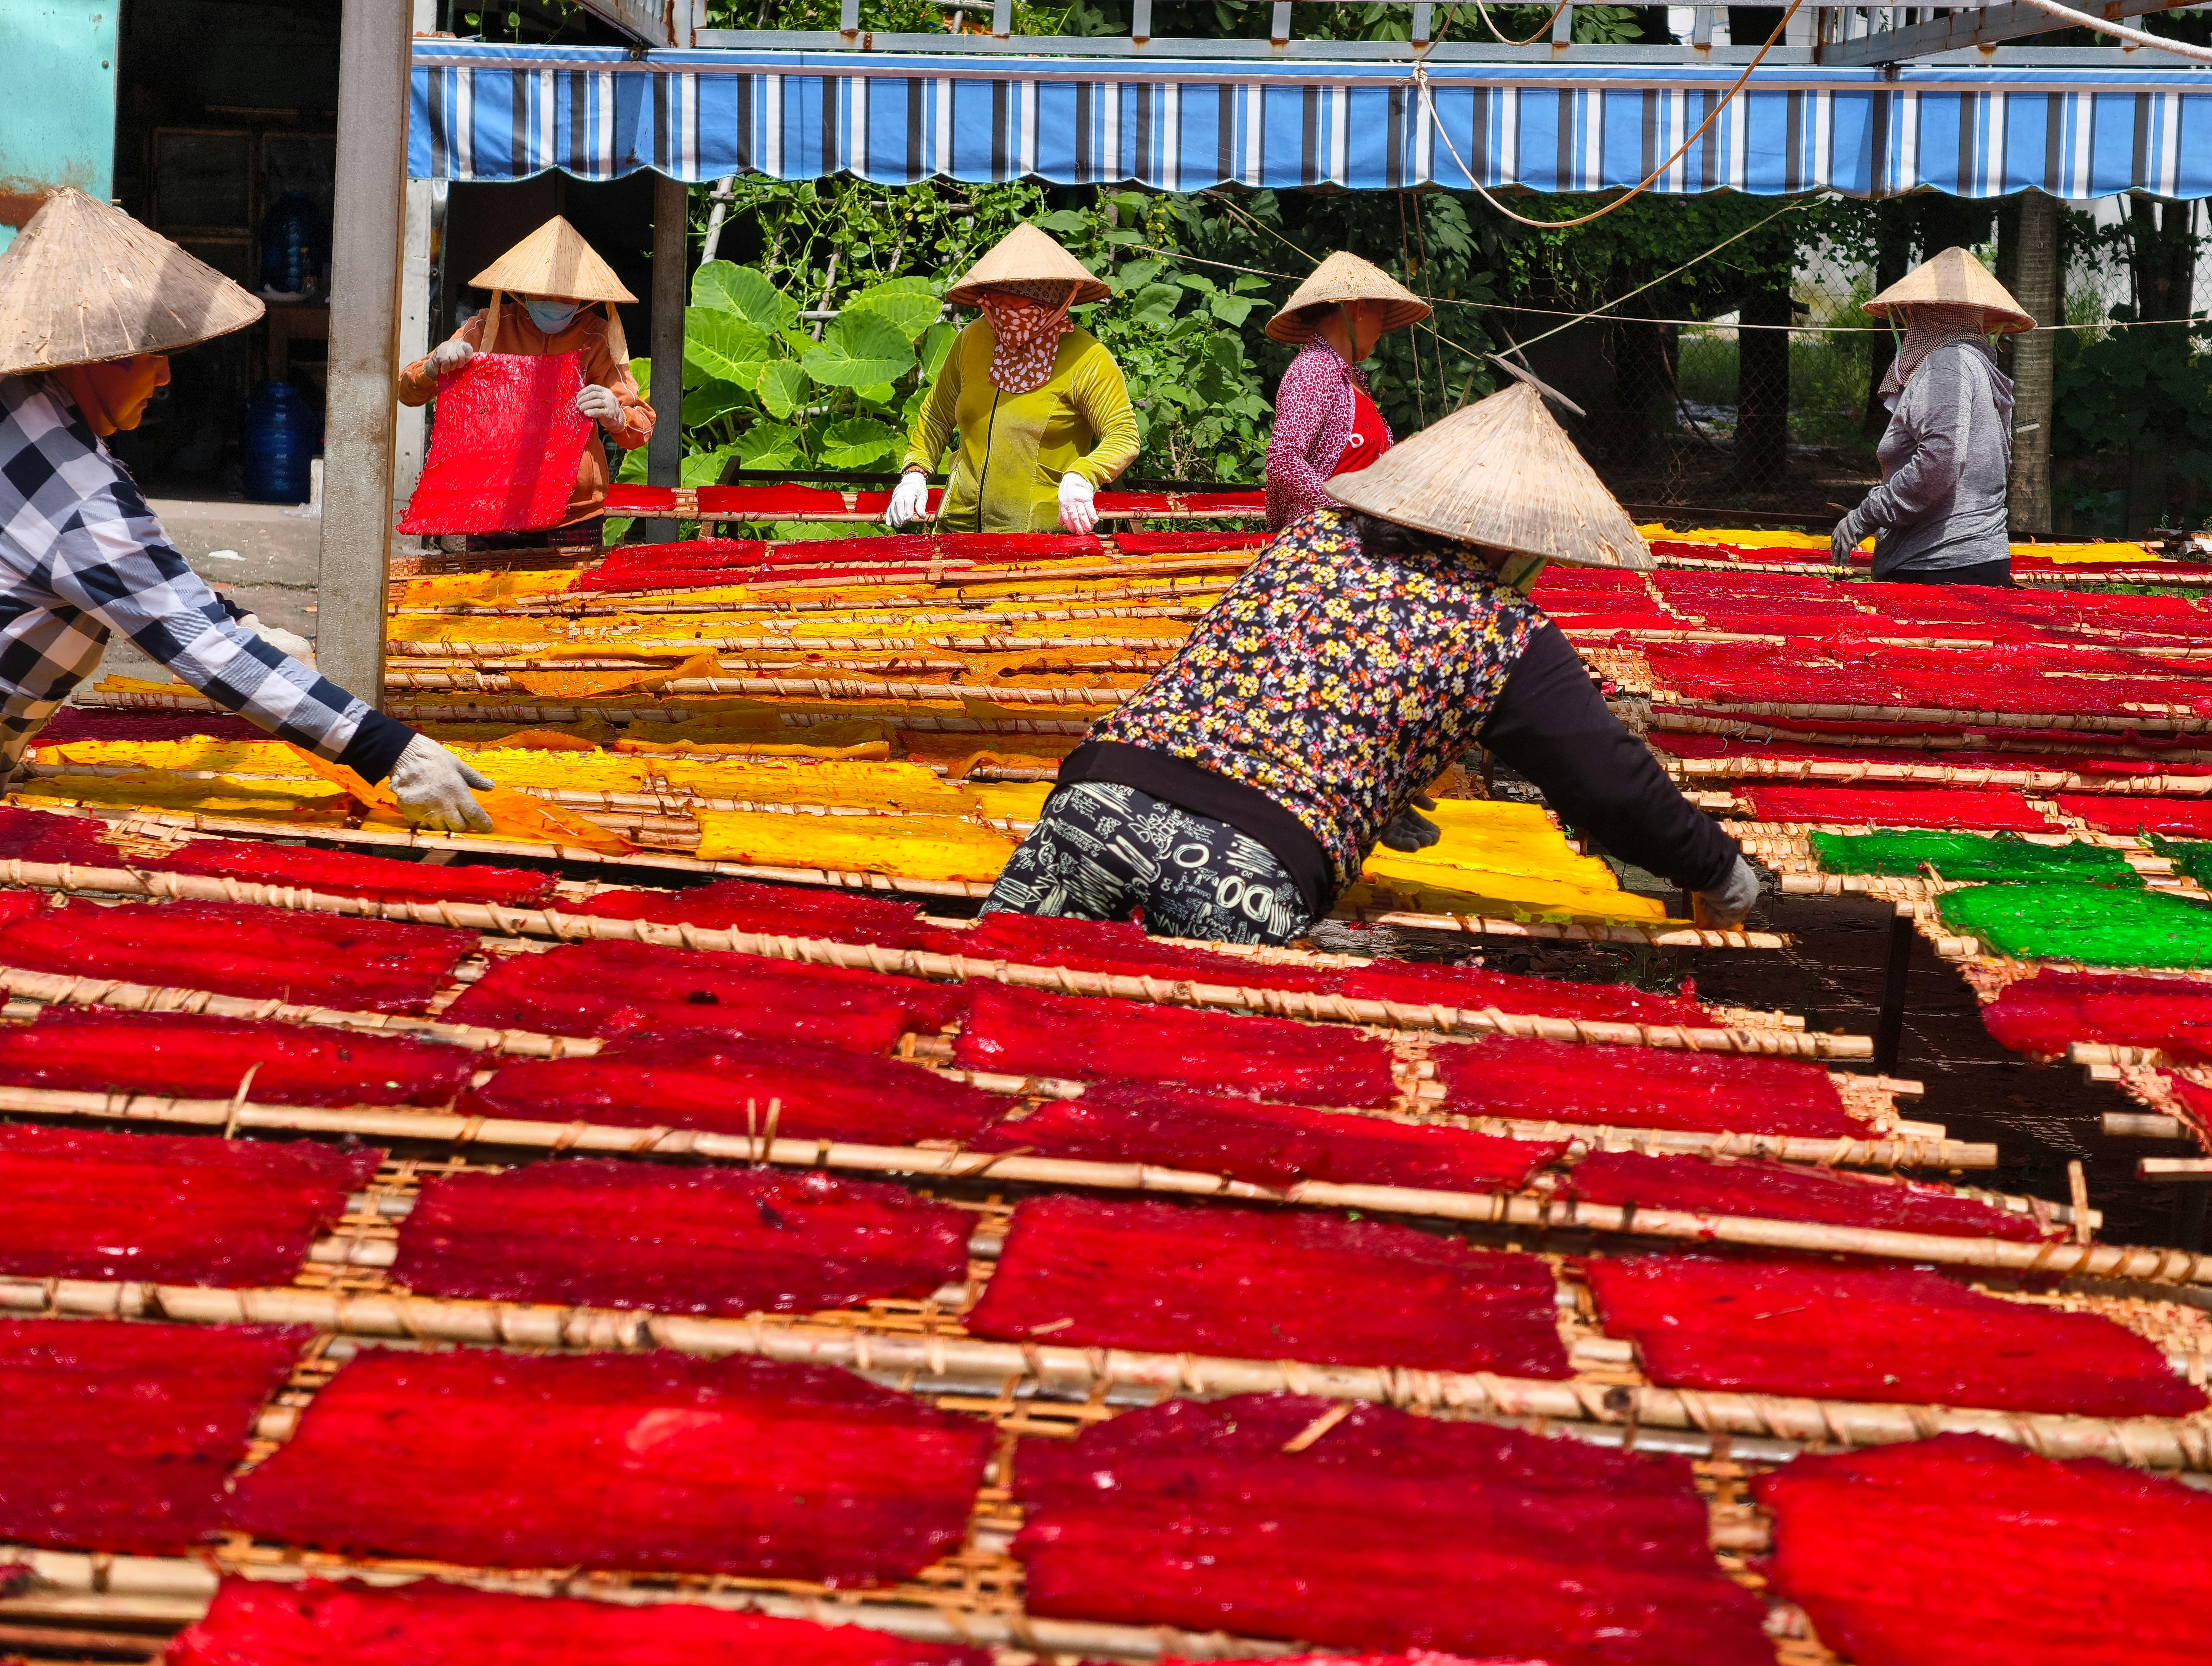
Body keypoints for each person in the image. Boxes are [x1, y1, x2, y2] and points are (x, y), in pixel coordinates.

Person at [981, 380, 1760, 946]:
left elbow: (1270, 684)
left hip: (1094, 803)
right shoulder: (1496, 626)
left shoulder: (1310, 541)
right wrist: (1721, 870)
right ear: (1511, 540)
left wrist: (1371, 792)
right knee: (1174, 1102)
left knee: (1001, 1037)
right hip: (1239, 865)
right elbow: (1608, 784)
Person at [0, 188, 495, 832]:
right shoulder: (69, 481)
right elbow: (196, 642)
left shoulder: (25, 409)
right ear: (104, 353)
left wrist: (245, 624)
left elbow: (147, 577)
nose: (165, 380)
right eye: (156, 357)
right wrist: (390, 750)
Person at [399, 216, 653, 555]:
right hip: (493, 504)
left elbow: (641, 425)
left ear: (584, 298)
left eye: (567, 298)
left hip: (572, 513)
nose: (555, 302)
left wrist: (616, 416)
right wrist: (434, 366)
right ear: (522, 291)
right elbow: (408, 390)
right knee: (489, 604)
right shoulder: (488, 328)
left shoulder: (598, 337)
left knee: (571, 607)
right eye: (544, 295)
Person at [888, 224, 1138, 536]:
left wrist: (1083, 476)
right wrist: (915, 472)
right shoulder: (973, 339)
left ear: (1049, 303)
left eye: (1012, 303)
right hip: (956, 530)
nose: (1001, 312)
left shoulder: (1089, 358)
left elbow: (1123, 436)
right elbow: (936, 415)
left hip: (1044, 540)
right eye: (994, 302)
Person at [1830, 247, 2030, 587]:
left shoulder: (1947, 365)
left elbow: (1940, 463)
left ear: (1929, 314)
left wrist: (1867, 515)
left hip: (1940, 564)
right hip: (1969, 560)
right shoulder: (1976, 364)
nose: (1908, 320)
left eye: (1913, 312)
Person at [1263, 251, 1430, 532]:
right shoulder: (1316, 368)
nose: (1382, 331)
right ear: (1359, 309)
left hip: (1355, 538)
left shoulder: (1352, 380)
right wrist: (1344, 513)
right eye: (1382, 315)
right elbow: (1283, 459)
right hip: (1321, 543)